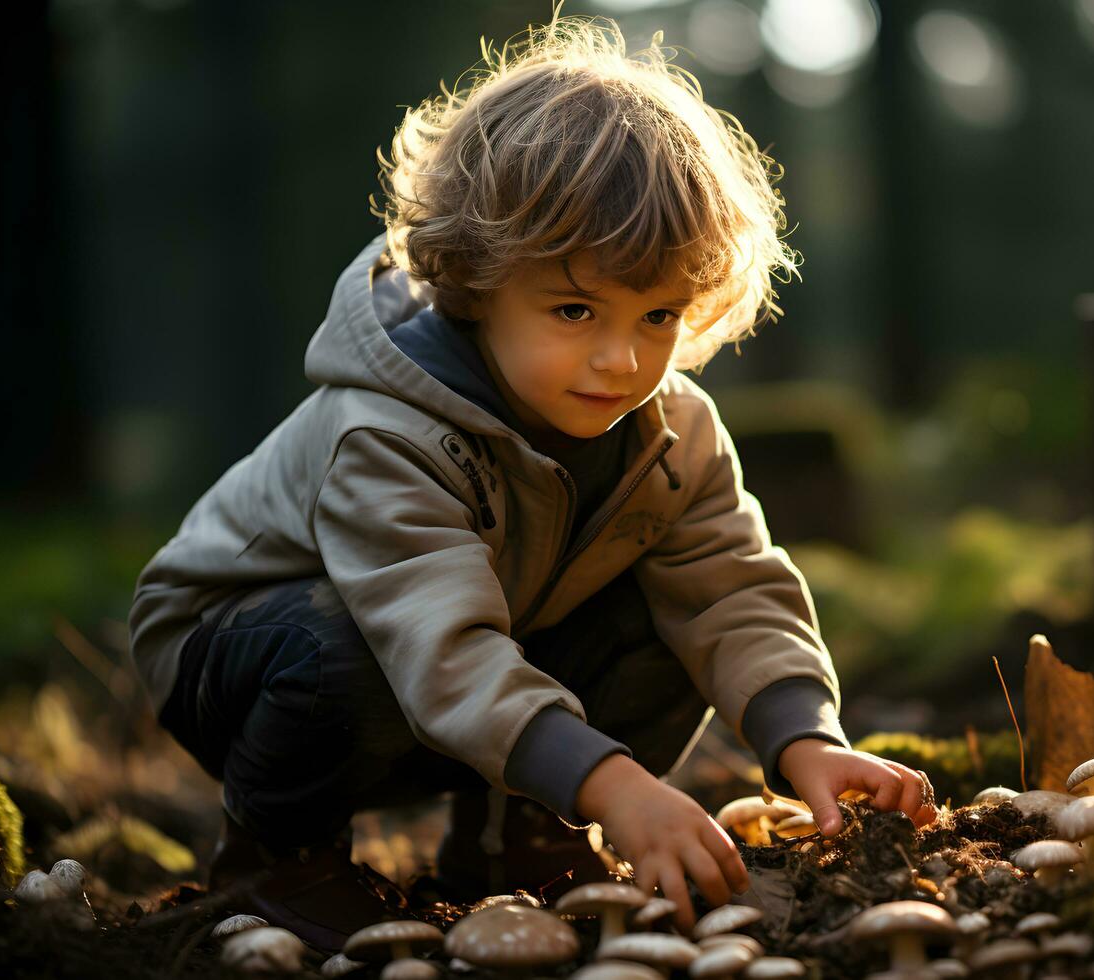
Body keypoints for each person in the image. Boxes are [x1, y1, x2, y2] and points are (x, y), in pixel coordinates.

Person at [126, 11, 937, 952]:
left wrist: (807, 740)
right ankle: (275, 859)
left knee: (670, 608)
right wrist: (620, 785)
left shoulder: (673, 432)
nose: (621, 360)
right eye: (574, 308)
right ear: (476, 279)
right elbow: (438, 647)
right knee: (344, 644)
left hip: (464, 661)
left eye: (658, 314)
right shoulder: (389, 431)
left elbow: (732, 592)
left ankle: (520, 834)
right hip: (249, 661)